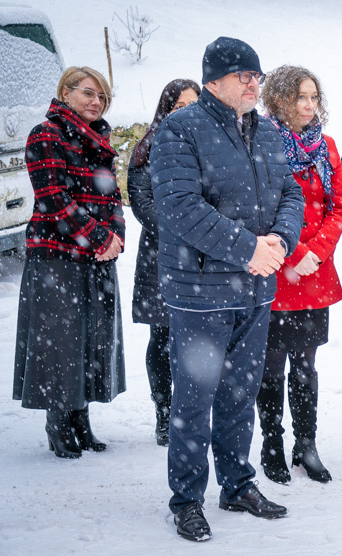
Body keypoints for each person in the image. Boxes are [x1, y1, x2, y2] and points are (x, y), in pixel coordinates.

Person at [150, 37, 304, 541]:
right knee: (194, 400)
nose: (253, 83)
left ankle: (237, 483)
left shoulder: (266, 132)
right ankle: (187, 499)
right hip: (200, 290)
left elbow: (291, 191)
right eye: (243, 75)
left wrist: (280, 239)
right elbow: (180, 207)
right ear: (213, 79)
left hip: (255, 289)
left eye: (257, 75)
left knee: (241, 394)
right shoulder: (180, 129)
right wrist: (247, 248)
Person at [13, 66, 125, 460]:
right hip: (56, 256)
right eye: (88, 94)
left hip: (95, 256)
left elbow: (113, 197)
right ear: (65, 92)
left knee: (91, 338)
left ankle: (81, 417)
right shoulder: (46, 135)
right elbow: (54, 198)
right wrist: (99, 237)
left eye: (102, 98)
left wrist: (117, 237)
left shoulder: (101, 140)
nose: (96, 102)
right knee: (60, 342)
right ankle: (57, 421)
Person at [256, 65, 342, 484]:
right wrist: (294, 251)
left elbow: (339, 207)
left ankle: (306, 444)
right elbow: (260, 207)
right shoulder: (259, 141)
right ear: (278, 99)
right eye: (300, 97)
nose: (310, 105)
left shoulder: (324, 145)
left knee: (306, 364)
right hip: (277, 266)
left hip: (314, 271)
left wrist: (317, 251)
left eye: (314, 96)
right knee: (271, 365)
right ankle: (272, 442)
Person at [128, 78, 200, 447]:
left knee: (195, 339)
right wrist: (187, 226)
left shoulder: (210, 146)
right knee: (162, 336)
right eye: (178, 106)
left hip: (202, 257)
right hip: (160, 255)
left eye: (193, 104)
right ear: (165, 110)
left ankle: (190, 413)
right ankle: (163, 411)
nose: (186, 112)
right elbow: (142, 203)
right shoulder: (146, 150)